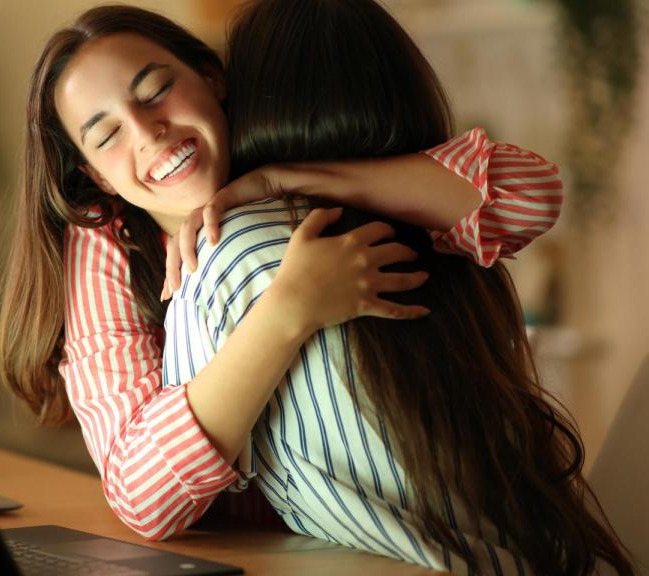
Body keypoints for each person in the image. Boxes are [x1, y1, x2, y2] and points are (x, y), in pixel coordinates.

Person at [0, 4, 563, 546]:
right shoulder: (109, 241)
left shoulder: (295, 140)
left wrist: (287, 178)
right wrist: (288, 310)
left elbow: (531, 195)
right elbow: (142, 496)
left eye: (156, 90)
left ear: (211, 77)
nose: (147, 131)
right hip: (258, 545)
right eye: (107, 135)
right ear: (97, 176)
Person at [161, 0, 632, 574]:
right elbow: (537, 193)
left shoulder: (226, 249)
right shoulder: (440, 219)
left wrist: (281, 178)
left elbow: (171, 493)